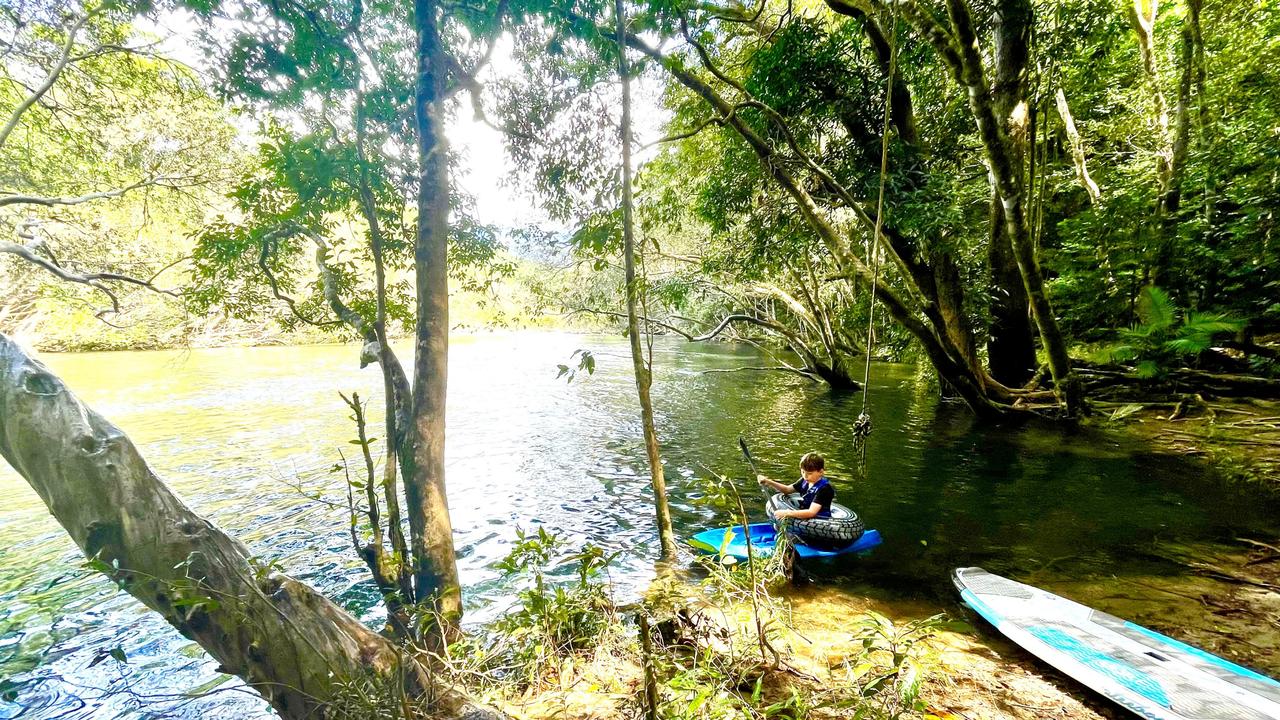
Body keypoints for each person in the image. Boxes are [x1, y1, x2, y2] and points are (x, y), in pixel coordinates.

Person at [757, 451, 835, 520]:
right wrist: (769, 482)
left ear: (821, 472)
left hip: (820, 518)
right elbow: (787, 490)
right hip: (805, 513)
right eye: (803, 472)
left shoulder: (825, 488)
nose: (805, 476)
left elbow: (812, 512)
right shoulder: (804, 481)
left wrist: (787, 513)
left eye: (809, 473)